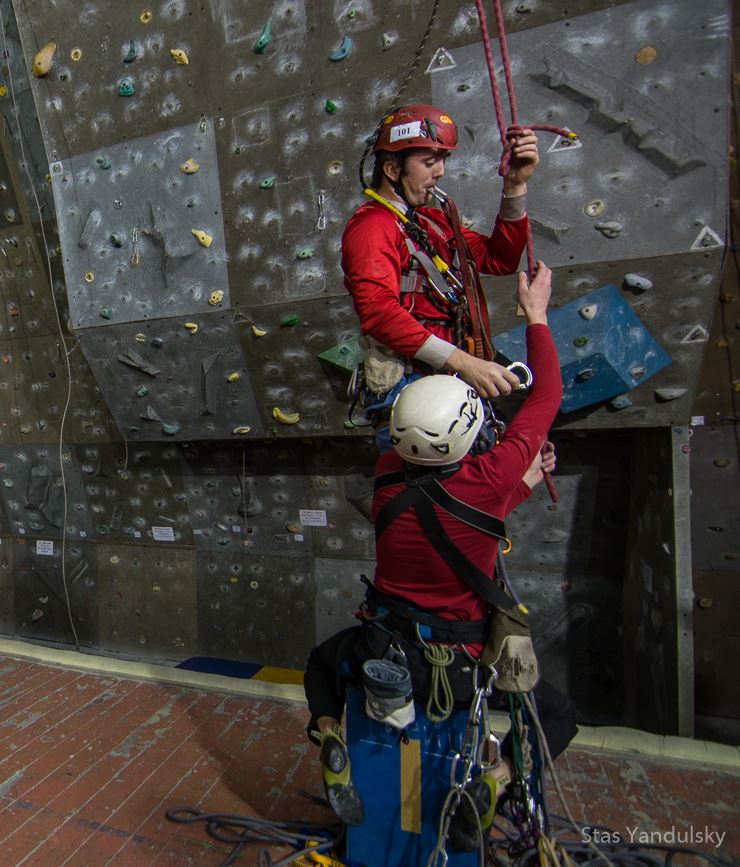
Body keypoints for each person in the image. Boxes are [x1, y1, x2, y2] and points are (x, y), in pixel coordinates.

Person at [303, 263, 577, 849]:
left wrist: (516, 483)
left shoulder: (386, 478)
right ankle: (497, 782)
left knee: (322, 663)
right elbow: (546, 395)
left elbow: (448, 506)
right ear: (467, 437)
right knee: (557, 715)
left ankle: (330, 733)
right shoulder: (487, 478)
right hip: (460, 662)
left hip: (385, 648)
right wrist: (535, 314)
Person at [341, 103, 540, 442]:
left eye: (443, 160)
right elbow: (378, 312)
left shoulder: (432, 223)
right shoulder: (372, 226)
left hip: (448, 380)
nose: (441, 172)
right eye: (429, 162)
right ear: (392, 168)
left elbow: (499, 259)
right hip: (414, 388)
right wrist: (464, 363)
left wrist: (515, 186)